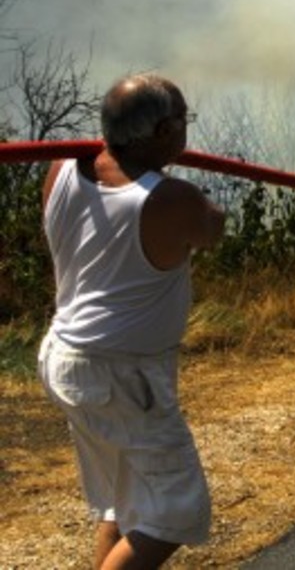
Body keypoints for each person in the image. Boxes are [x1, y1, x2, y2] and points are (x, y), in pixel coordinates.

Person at [38, 72, 226, 569]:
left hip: (65, 356)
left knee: (124, 504)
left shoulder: (60, 170)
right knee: (177, 512)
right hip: (122, 375)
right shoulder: (170, 198)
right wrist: (207, 203)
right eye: (185, 121)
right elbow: (212, 230)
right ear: (165, 131)